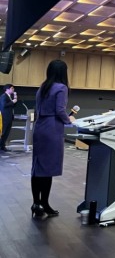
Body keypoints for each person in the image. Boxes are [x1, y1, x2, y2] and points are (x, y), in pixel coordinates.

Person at [31, 61, 72, 218]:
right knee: (48, 169)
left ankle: (36, 203)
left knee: (38, 167)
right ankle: (45, 203)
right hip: (52, 128)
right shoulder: (62, 88)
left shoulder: (43, 87)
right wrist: (70, 121)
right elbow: (60, 110)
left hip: (40, 127)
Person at [0, 84, 18, 151]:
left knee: (7, 132)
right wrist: (12, 101)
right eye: (12, 88)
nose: (13, 89)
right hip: (4, 117)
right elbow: (4, 105)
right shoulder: (4, 96)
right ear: (7, 89)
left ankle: (2, 145)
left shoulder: (10, 96)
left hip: (9, 117)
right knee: (3, 132)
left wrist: (15, 99)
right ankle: (1, 145)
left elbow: (13, 106)